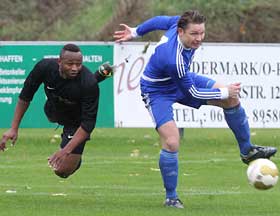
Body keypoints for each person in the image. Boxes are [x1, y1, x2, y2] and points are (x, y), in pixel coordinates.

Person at [114, 10, 277, 208]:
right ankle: (171, 198)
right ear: (181, 32)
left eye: (202, 33)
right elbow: (193, 93)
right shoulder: (173, 60)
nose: (199, 39)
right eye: (194, 34)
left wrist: (136, 31)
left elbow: (158, 20)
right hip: (157, 91)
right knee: (172, 142)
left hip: (182, 80)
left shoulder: (177, 23)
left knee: (232, 100)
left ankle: (247, 151)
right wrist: (224, 92)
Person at [0, 43, 113, 178]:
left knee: (62, 171)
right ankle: (70, 146)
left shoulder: (89, 83)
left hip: (75, 122)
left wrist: (66, 150)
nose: (75, 68)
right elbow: (25, 96)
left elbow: (88, 124)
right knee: (60, 100)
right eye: (70, 64)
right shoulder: (44, 67)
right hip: (53, 110)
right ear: (59, 61)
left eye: (78, 64)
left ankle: (74, 156)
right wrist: (14, 128)